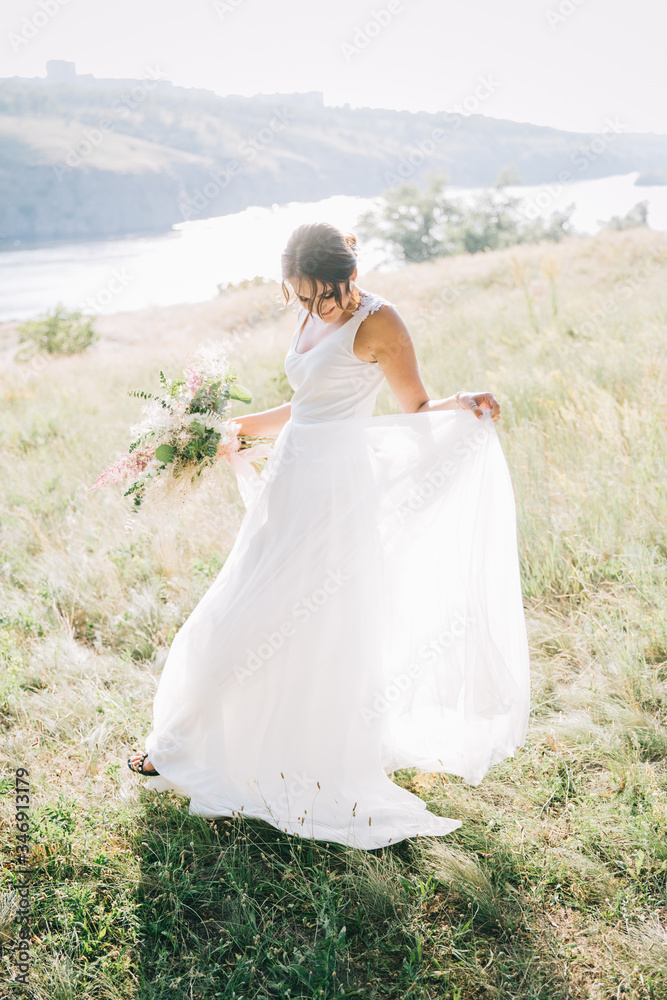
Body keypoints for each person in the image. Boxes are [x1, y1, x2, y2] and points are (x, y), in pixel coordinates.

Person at [128, 222, 530, 850]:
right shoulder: (310, 311)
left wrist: (462, 402)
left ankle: (253, 752)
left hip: (337, 495)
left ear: (350, 272)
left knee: (304, 620)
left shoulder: (381, 323)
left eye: (324, 295)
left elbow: (415, 408)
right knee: (240, 608)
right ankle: (188, 742)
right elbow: (307, 400)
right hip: (290, 481)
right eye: (302, 297)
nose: (315, 308)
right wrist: (229, 429)